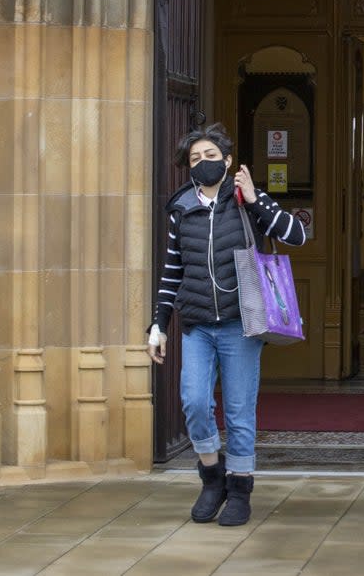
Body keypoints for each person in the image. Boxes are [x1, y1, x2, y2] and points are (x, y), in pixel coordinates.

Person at [146, 123, 306, 527]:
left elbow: (298, 235)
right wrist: (158, 325)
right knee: (195, 402)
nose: (203, 164)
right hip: (198, 324)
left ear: (228, 160)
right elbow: (171, 271)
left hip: (241, 323)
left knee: (238, 411)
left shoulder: (247, 201)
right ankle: (212, 477)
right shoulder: (181, 209)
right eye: (196, 159)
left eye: (211, 157)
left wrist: (255, 200)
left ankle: (240, 490)